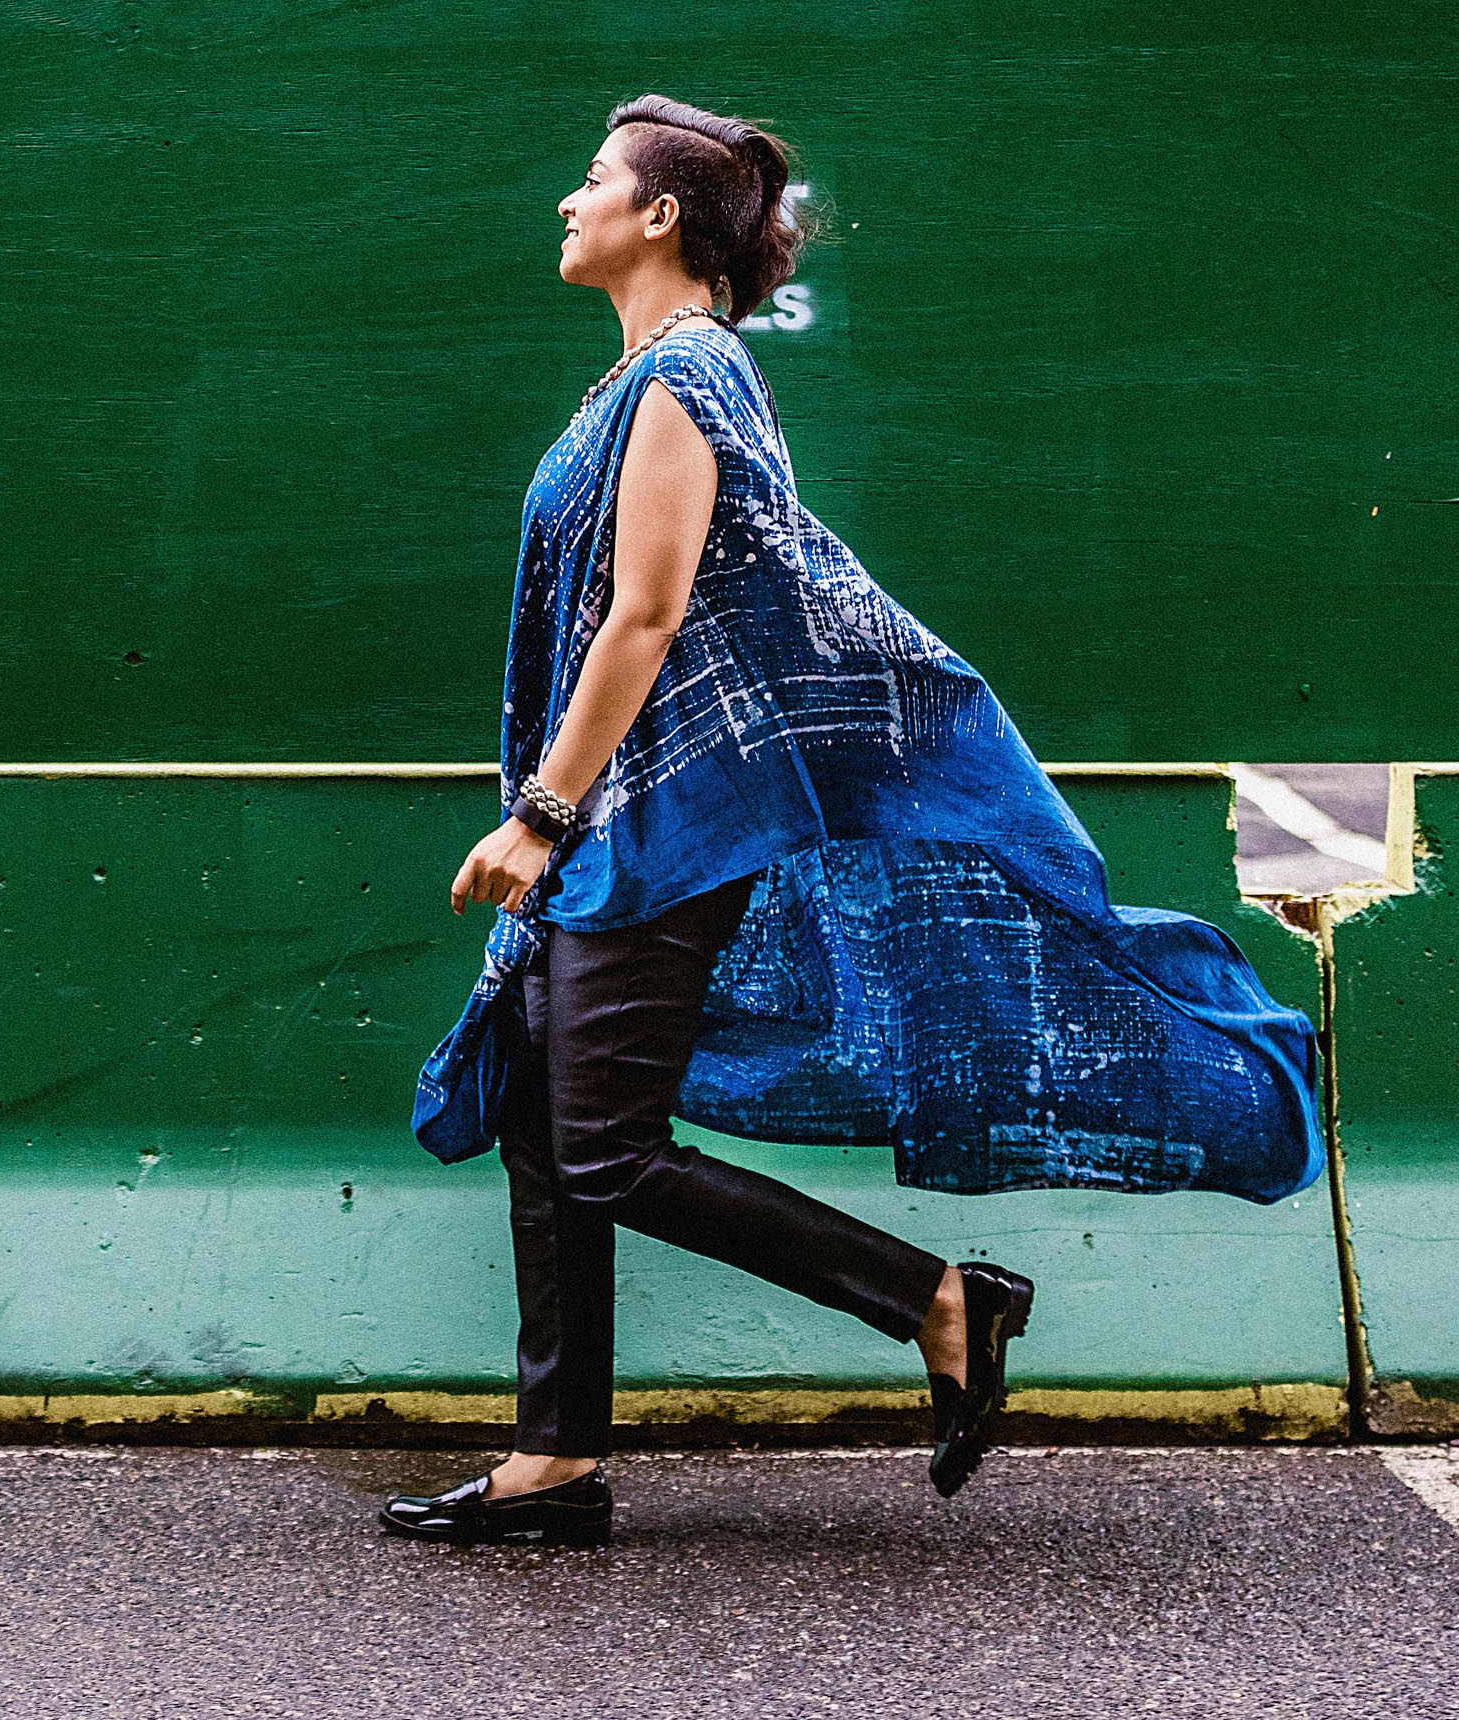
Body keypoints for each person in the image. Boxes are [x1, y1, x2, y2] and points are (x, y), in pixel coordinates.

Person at [380, 96, 1322, 1549]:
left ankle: (943, 1301)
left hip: (656, 828)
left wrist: (545, 813)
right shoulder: (635, 381)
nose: (565, 203)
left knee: (606, 1147)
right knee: (537, 1110)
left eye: (592, 182)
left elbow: (647, 613)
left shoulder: (687, 378)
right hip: (629, 819)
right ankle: (556, 1458)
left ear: (659, 219)